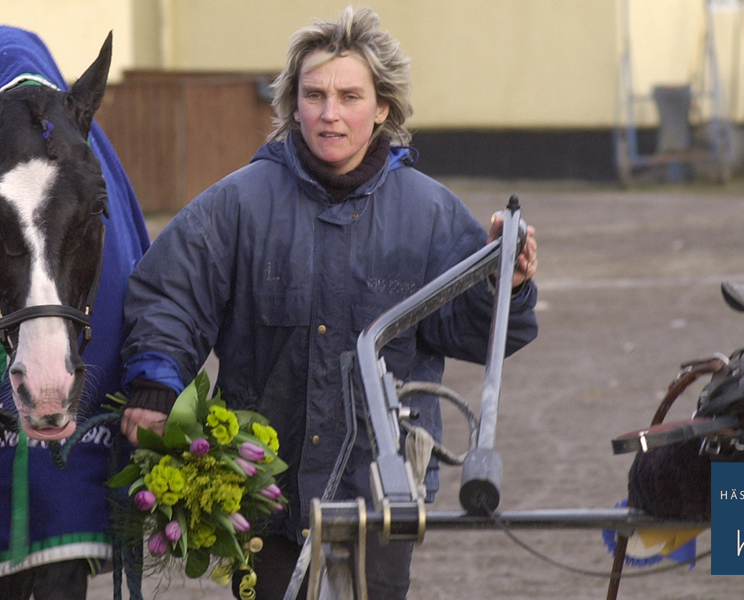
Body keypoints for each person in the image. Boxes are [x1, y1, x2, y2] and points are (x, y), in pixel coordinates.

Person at [118, 7, 538, 599]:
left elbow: (479, 330)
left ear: (383, 107)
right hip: (263, 490)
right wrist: (156, 383)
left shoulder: (431, 214)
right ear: (293, 104)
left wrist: (507, 284)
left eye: (349, 95)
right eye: (314, 95)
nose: (330, 113)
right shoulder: (238, 204)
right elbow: (170, 297)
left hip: (382, 495)